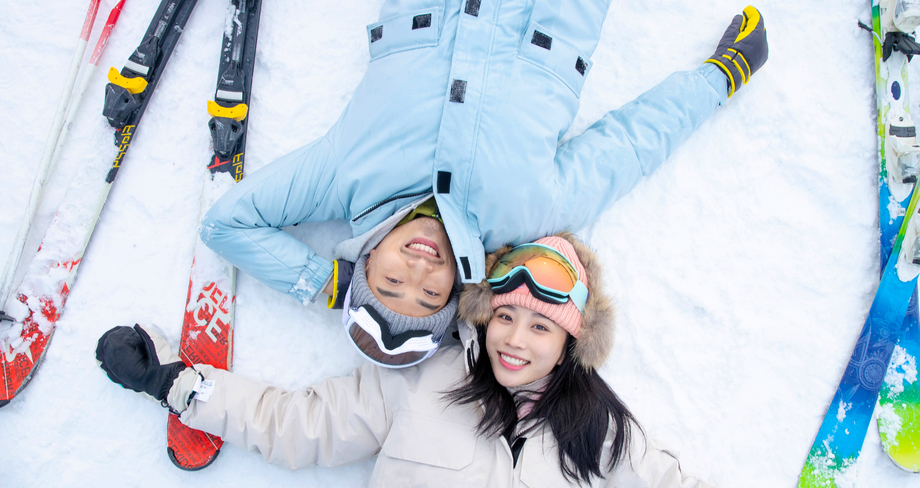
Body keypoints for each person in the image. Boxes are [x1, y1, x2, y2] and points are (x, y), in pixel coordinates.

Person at [96, 233, 859, 488]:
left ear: (572, 339)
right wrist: (177, 383)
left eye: (540, 325)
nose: (514, 338)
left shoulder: (598, 430)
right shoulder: (419, 382)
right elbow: (300, 423)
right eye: (506, 315)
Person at [199, 4, 770, 366]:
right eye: (430, 295)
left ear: (364, 262)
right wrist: (722, 76)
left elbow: (226, 223)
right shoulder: (529, 214)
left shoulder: (344, 175)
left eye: (391, 280)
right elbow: (630, 145)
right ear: (457, 290)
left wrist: (325, 284)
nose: (419, 270)